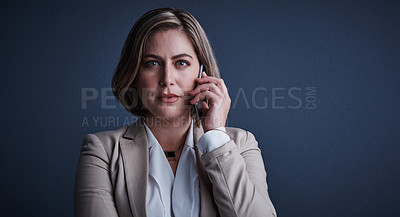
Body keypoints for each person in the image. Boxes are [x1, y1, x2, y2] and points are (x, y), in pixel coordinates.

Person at [74, 8, 277, 217]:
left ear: (202, 73)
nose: (167, 79)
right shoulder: (102, 151)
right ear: (134, 74)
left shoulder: (241, 144)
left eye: (181, 63)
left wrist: (216, 136)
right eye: (152, 63)